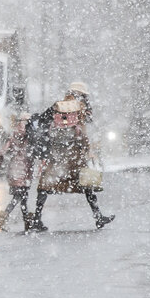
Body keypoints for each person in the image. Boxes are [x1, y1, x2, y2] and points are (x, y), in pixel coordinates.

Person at [27, 83, 114, 231]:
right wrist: (88, 149)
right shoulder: (81, 108)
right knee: (86, 184)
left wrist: (47, 143)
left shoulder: (58, 106)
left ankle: (36, 218)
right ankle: (98, 217)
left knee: (45, 185)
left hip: (58, 155)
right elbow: (85, 131)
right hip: (74, 155)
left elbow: (42, 120)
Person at [0, 113, 35, 232]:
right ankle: (7, 216)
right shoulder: (29, 134)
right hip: (23, 169)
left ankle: (26, 221)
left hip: (14, 168)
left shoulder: (13, 134)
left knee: (22, 196)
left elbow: (3, 150)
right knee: (20, 196)